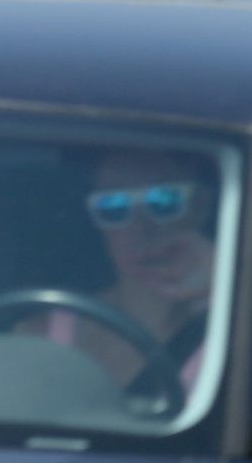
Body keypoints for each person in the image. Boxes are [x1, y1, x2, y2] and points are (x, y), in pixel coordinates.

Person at [19, 149, 220, 403]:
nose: (140, 228)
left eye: (164, 201)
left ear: (201, 206)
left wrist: (223, 293)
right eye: (112, 206)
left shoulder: (237, 328)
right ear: (95, 222)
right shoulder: (39, 338)